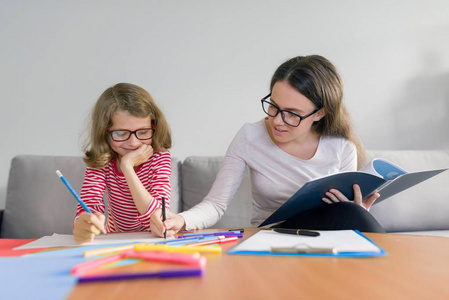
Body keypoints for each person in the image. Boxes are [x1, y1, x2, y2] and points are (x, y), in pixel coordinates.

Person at [150, 55, 385, 237]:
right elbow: (216, 204)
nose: (276, 120)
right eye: (273, 106)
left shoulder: (341, 147)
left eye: (292, 114)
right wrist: (180, 220)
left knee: (350, 212)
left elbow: (342, 216)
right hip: (274, 236)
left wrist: (357, 212)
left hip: (327, 239)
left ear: (319, 113)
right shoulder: (250, 137)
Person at [73, 83, 172, 243]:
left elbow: (157, 215)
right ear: (104, 132)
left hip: (153, 240)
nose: (133, 143)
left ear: (154, 126)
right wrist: (86, 224)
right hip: (116, 241)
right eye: (120, 133)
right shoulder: (102, 162)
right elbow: (89, 207)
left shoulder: (158, 157)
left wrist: (127, 167)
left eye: (143, 132)